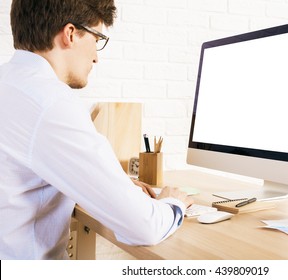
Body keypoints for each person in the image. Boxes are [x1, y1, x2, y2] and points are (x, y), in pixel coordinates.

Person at [0, 0, 192, 260]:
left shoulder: (8, 82)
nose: (96, 56)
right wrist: (173, 203)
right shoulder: (52, 103)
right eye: (97, 37)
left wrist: (109, 182)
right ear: (70, 34)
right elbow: (143, 227)